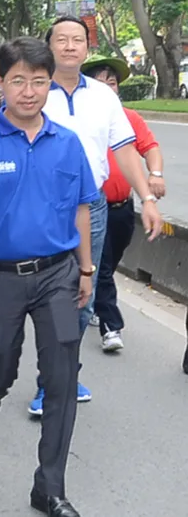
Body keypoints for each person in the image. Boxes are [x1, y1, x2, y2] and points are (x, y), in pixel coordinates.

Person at [0, 37, 96, 517]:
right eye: (17, 81)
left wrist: (86, 269)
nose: (28, 92)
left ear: (50, 83)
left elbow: (81, 210)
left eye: (38, 81)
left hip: (58, 275)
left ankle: (49, 487)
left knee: (61, 377)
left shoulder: (67, 143)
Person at [30, 16, 163, 415]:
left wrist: (147, 198)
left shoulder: (104, 97)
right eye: (62, 39)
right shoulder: (34, 90)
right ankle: (49, 380)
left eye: (78, 39)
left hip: (93, 208)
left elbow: (125, 150)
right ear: (49, 46)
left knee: (82, 295)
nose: (70, 46)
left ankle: (63, 377)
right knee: (47, 296)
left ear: (87, 48)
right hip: (42, 208)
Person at [80, 54, 165, 352]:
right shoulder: (78, 117)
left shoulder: (129, 118)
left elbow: (150, 148)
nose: (107, 88)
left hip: (122, 208)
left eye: (112, 83)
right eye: (99, 82)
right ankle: (111, 326)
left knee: (108, 263)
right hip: (91, 208)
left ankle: (90, 300)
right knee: (101, 267)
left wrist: (155, 175)